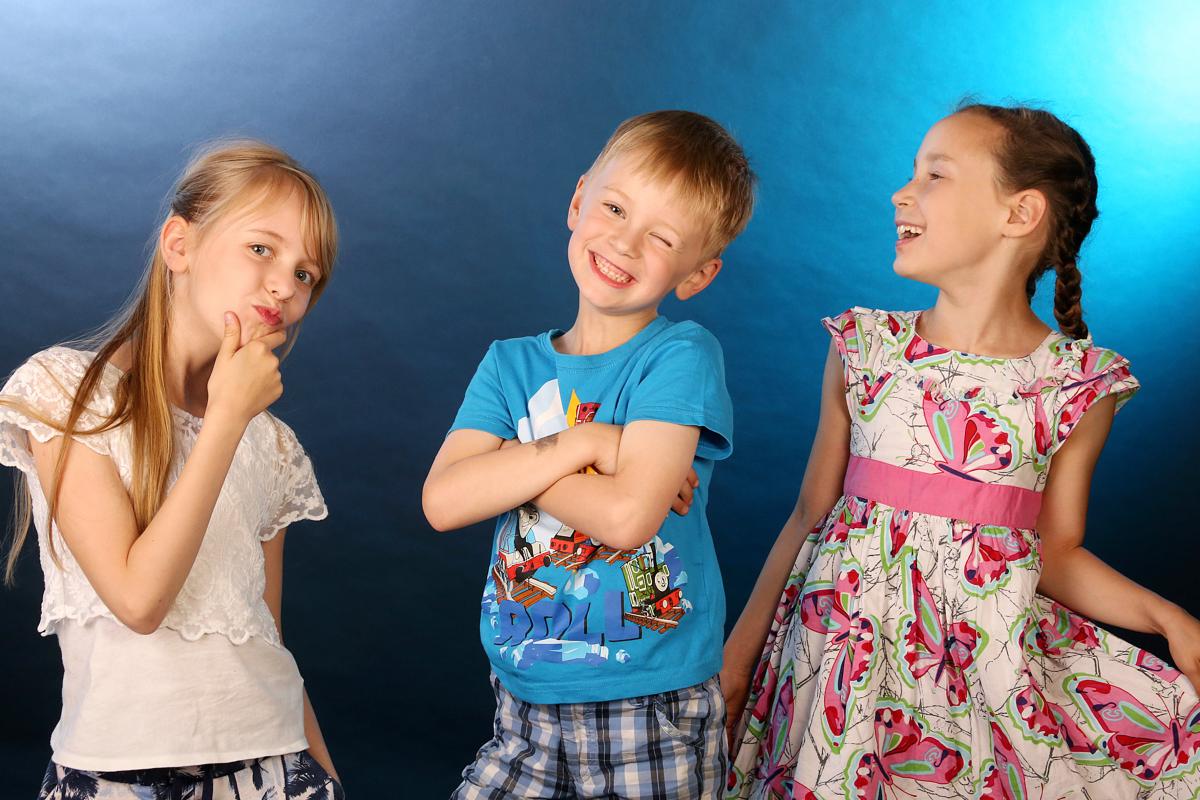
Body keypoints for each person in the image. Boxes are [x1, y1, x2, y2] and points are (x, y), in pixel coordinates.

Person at [724, 104, 1200, 799]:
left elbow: (1057, 554)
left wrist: (1169, 619)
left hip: (974, 688)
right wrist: (739, 659)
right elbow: (808, 515)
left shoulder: (1075, 384)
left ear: (1019, 213)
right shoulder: (866, 347)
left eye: (935, 175)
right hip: (836, 673)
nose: (901, 193)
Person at [424, 110, 755, 798]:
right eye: (614, 208)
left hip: (649, 705)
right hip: (521, 704)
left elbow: (627, 518)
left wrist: (513, 464)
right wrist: (585, 444)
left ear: (697, 274)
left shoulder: (680, 356)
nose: (625, 243)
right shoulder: (508, 365)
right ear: (578, 201)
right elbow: (445, 500)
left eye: (661, 237)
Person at [0, 141, 344, 799]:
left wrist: (327, 777)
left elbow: (266, 634)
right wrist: (226, 418)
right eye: (262, 248)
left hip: (275, 767)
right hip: (113, 775)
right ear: (179, 245)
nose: (284, 285)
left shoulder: (272, 445)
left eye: (306, 274)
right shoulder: (66, 391)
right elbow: (139, 601)